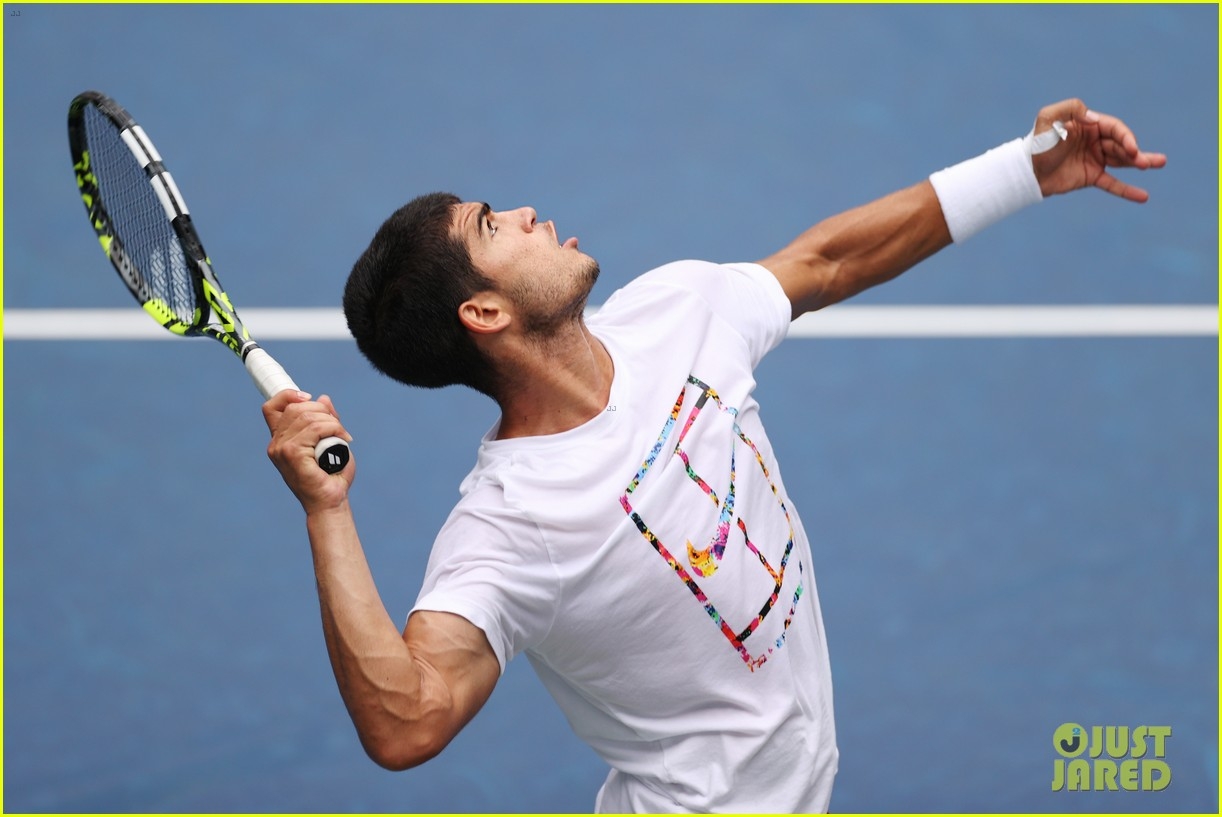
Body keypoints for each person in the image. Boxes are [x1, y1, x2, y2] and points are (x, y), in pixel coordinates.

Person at [263, 98, 1164, 812]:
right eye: (494, 224)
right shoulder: (511, 524)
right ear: (485, 314)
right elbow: (407, 722)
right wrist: (328, 511)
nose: (529, 212)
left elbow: (830, 260)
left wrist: (1026, 169)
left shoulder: (678, 310)